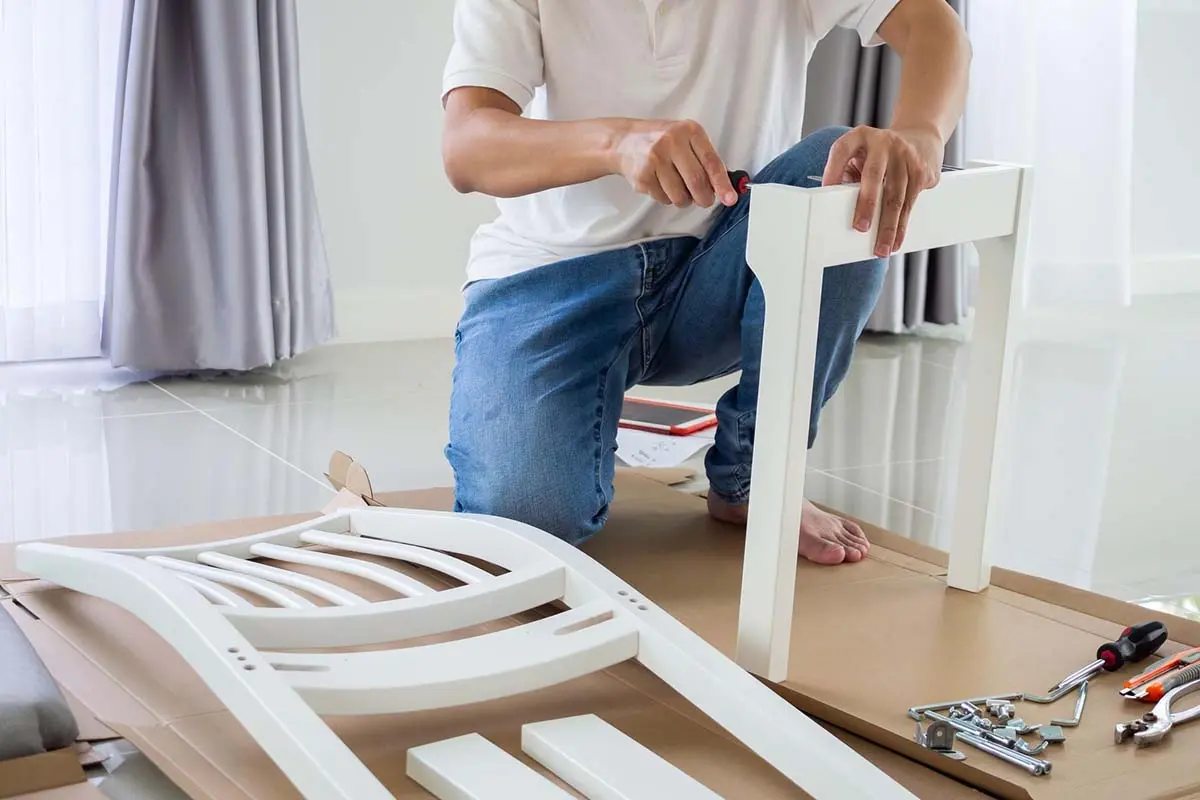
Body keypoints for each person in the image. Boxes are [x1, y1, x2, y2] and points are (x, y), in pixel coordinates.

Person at [440, 0, 970, 565]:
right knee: (526, 524)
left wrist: (920, 134)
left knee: (840, 170)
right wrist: (616, 144)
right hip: (547, 282)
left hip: (719, 268)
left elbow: (932, 23)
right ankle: (578, 413)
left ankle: (754, 478)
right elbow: (467, 146)